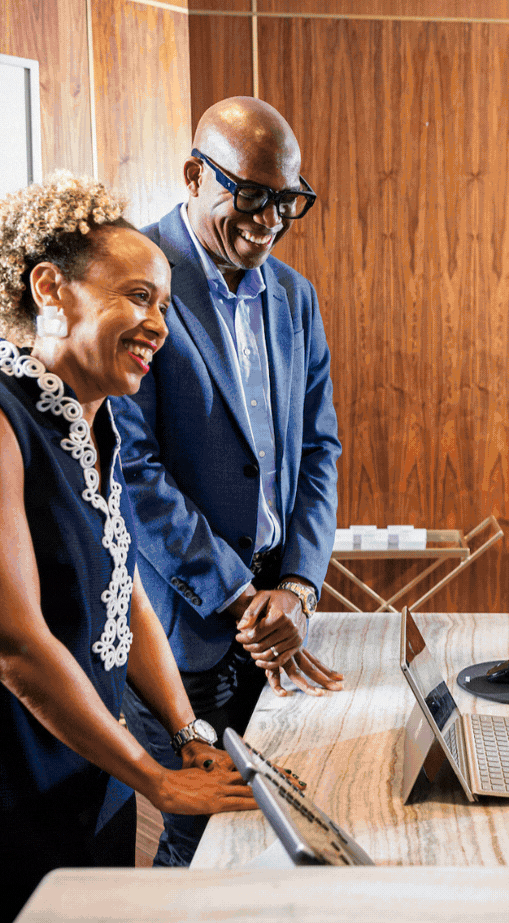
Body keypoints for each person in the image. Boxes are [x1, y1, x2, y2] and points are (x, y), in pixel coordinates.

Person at [0, 172, 257, 923]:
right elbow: (9, 644)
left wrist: (185, 731)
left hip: (81, 762)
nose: (158, 326)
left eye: (164, 305)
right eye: (138, 297)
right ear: (50, 289)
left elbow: (126, 596)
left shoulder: (95, 422)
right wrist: (155, 778)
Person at [112, 96, 343, 868]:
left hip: (282, 615)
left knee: (273, 825)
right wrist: (244, 601)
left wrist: (298, 589)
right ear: (193, 175)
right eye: (249, 194)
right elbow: (132, 469)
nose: (269, 220)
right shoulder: (134, 275)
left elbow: (319, 449)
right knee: (200, 838)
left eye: (287, 199)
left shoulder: (295, 295)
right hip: (187, 622)